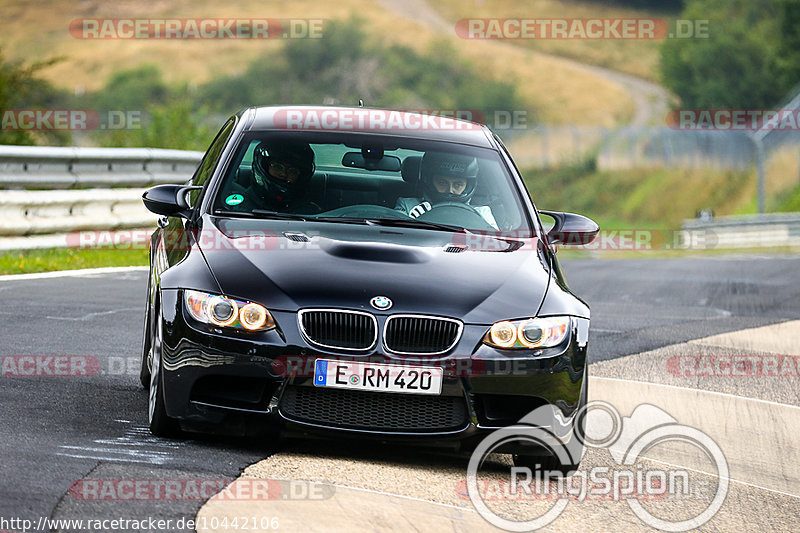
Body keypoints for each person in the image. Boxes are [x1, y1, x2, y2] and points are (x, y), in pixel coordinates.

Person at [395, 151, 498, 228]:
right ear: (429, 181)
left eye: (458, 185)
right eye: (442, 183)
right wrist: (410, 221)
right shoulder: (408, 206)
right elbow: (397, 236)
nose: (450, 190)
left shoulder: (482, 213)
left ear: (467, 186)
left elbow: (495, 245)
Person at [226, 139, 320, 214]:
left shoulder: (310, 212)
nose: (284, 174)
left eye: (292, 171)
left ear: (301, 176)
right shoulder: (233, 206)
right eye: (278, 167)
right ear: (264, 167)